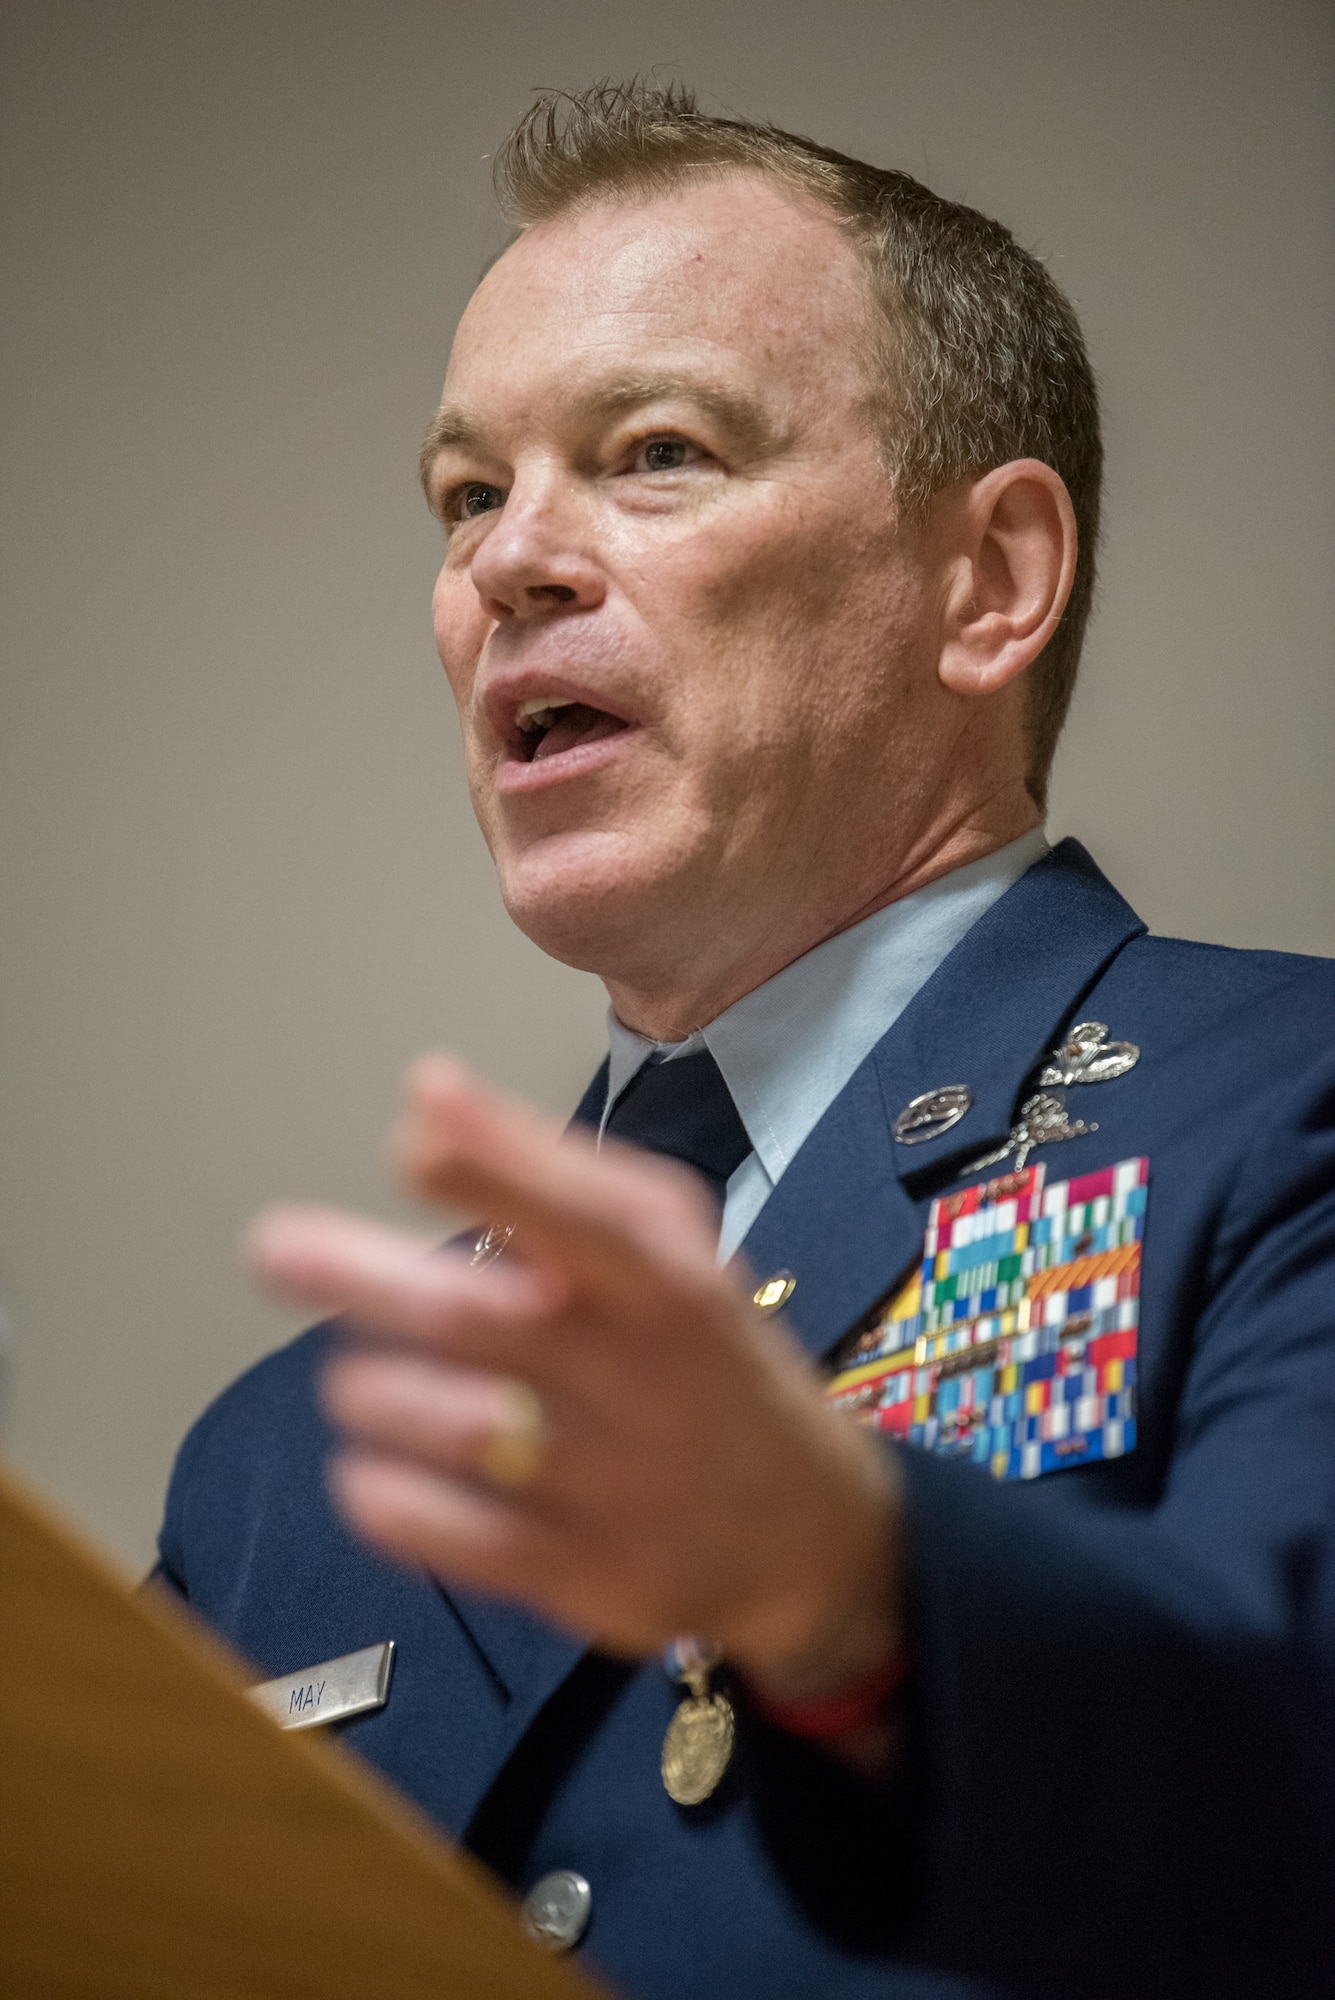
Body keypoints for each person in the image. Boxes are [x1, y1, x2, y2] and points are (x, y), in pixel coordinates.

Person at [153, 84, 1335, 1999]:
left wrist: (852, 1591)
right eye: (468, 496)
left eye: (657, 452)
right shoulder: (294, 1454)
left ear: (992, 582)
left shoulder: (1287, 1111)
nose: (508, 563)